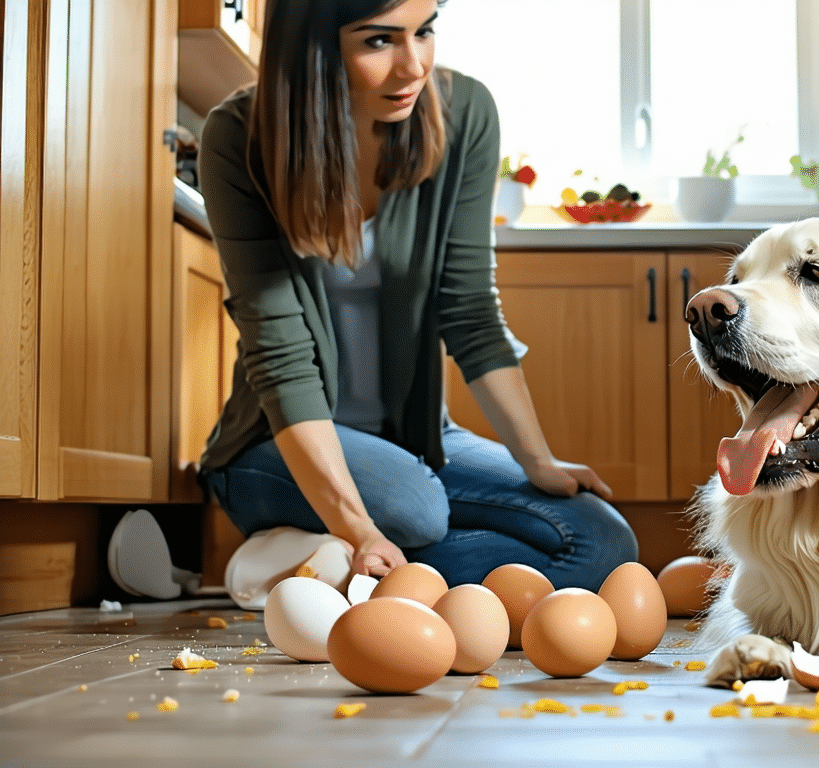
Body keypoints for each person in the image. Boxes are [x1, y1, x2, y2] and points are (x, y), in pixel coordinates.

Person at [194, 0, 638, 595]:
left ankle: (316, 568)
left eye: (424, 32)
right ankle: (326, 549)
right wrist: (358, 526)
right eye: (378, 42)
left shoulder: (464, 114)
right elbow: (281, 358)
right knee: (414, 509)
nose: (414, 66)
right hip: (274, 445)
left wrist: (538, 462)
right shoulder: (240, 139)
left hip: (417, 443)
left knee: (601, 543)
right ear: (313, 49)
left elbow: (471, 309)